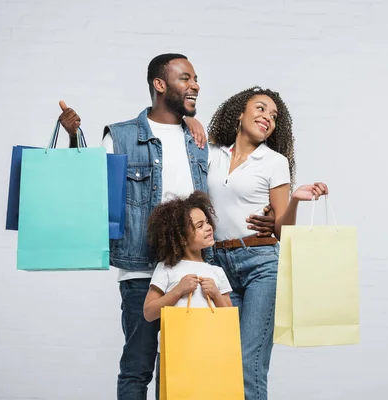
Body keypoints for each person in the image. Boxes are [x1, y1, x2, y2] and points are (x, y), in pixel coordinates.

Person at [58, 54, 274, 400]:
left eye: (195, 79)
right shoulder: (122, 137)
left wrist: (271, 217)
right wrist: (73, 138)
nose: (195, 86)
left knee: (189, 367)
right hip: (141, 272)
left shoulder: (202, 142)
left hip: (197, 270)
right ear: (160, 85)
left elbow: (233, 183)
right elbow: (89, 191)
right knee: (138, 367)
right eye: (185, 79)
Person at [206, 86, 329, 400]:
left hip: (260, 265)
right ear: (239, 114)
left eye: (274, 116)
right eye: (260, 109)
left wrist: (295, 201)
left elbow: (282, 232)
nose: (267, 118)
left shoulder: (274, 162)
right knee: (221, 363)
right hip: (217, 265)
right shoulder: (210, 154)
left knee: (250, 365)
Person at [142, 191, 232, 399]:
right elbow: (149, 312)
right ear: (181, 238)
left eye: (207, 222)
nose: (208, 228)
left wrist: (216, 295)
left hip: (211, 351)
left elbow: (229, 316)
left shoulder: (216, 272)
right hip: (176, 352)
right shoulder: (166, 268)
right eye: (199, 226)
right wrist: (178, 291)